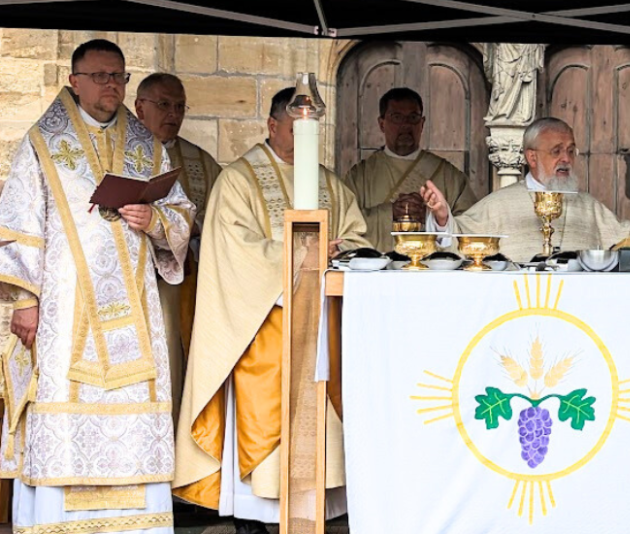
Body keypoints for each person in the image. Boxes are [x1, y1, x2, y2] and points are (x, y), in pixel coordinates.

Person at [0, 38, 194, 534]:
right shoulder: (42, 142)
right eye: (102, 76)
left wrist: (155, 219)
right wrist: (25, 301)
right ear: (75, 81)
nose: (113, 85)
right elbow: (19, 221)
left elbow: (182, 212)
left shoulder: (145, 144)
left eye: (120, 77)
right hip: (65, 308)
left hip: (135, 308)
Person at [173, 88, 367, 534]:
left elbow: (357, 235)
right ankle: (252, 512)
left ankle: (317, 506)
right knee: (267, 414)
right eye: (295, 127)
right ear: (272, 126)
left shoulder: (329, 183)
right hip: (261, 322)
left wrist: (337, 252)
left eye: (310, 129)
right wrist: (297, 255)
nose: (304, 136)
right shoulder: (239, 180)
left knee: (320, 416)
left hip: (320, 322)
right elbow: (231, 249)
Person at [419, 117, 630, 261]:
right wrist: (443, 217)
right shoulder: (499, 204)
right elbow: (459, 240)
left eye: (570, 150)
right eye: (556, 151)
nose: (566, 159)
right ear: (532, 157)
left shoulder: (587, 205)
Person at [135, 72, 223, 423]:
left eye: (179, 106)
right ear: (140, 107)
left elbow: (224, 219)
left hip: (188, 283)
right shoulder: (121, 151)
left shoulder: (201, 162)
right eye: (164, 105)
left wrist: (193, 230)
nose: (173, 114)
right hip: (135, 284)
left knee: (181, 361)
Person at [344, 88, 478, 251]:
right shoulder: (360, 176)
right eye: (397, 117)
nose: (406, 125)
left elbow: (470, 229)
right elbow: (345, 228)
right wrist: (389, 213)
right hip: (377, 271)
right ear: (381, 123)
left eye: (413, 118)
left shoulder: (450, 176)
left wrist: (439, 220)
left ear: (422, 124)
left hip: (433, 271)